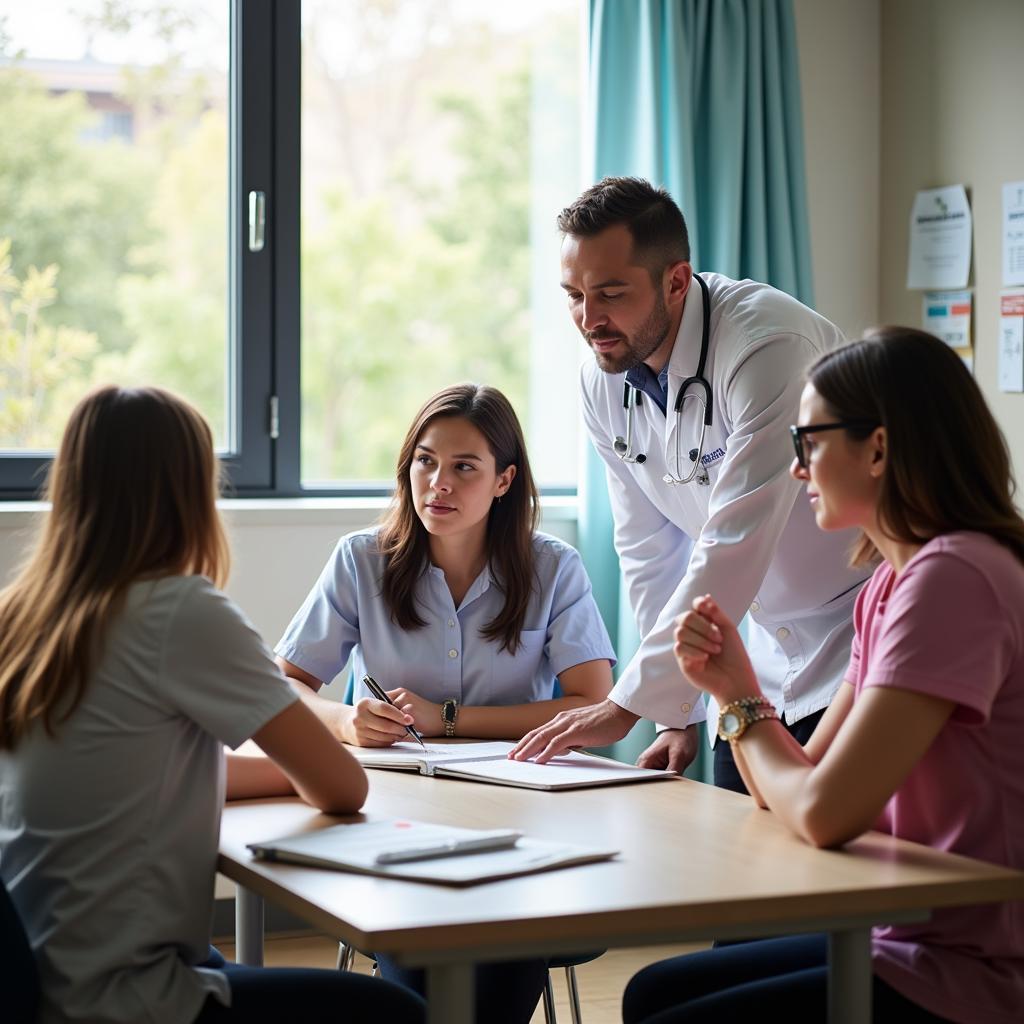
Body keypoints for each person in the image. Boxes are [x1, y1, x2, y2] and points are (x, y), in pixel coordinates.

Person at [623, 327, 1024, 1023]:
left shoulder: (954, 577)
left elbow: (824, 811)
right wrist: (726, 690)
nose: (798, 470)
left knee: (670, 1014)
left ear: (878, 447)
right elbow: (794, 783)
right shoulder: (886, 587)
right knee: (653, 991)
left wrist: (741, 694)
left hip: (977, 964)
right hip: (908, 934)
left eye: (808, 443)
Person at [0, 387, 425, 1024]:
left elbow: (133, 776)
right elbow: (341, 789)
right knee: (395, 1012)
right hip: (122, 993)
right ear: (189, 492)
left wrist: (293, 769)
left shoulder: (23, 615)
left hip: (40, 967)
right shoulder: (177, 610)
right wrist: (316, 763)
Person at [512, 177, 868, 791]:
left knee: (833, 856)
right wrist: (675, 710)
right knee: (742, 856)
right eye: (573, 295)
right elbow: (651, 550)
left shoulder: (768, 348)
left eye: (611, 293)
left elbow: (736, 539)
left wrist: (626, 704)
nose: (588, 319)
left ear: (676, 281)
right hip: (754, 664)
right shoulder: (604, 377)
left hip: (855, 643)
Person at [275, 382, 615, 1024]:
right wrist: (346, 721)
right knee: (424, 942)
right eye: (425, 461)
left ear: (504, 480)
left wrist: (449, 719)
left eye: (465, 467)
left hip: (523, 820)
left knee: (508, 942)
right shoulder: (361, 560)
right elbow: (283, 684)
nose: (438, 483)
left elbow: (590, 706)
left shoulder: (553, 568)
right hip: (396, 817)